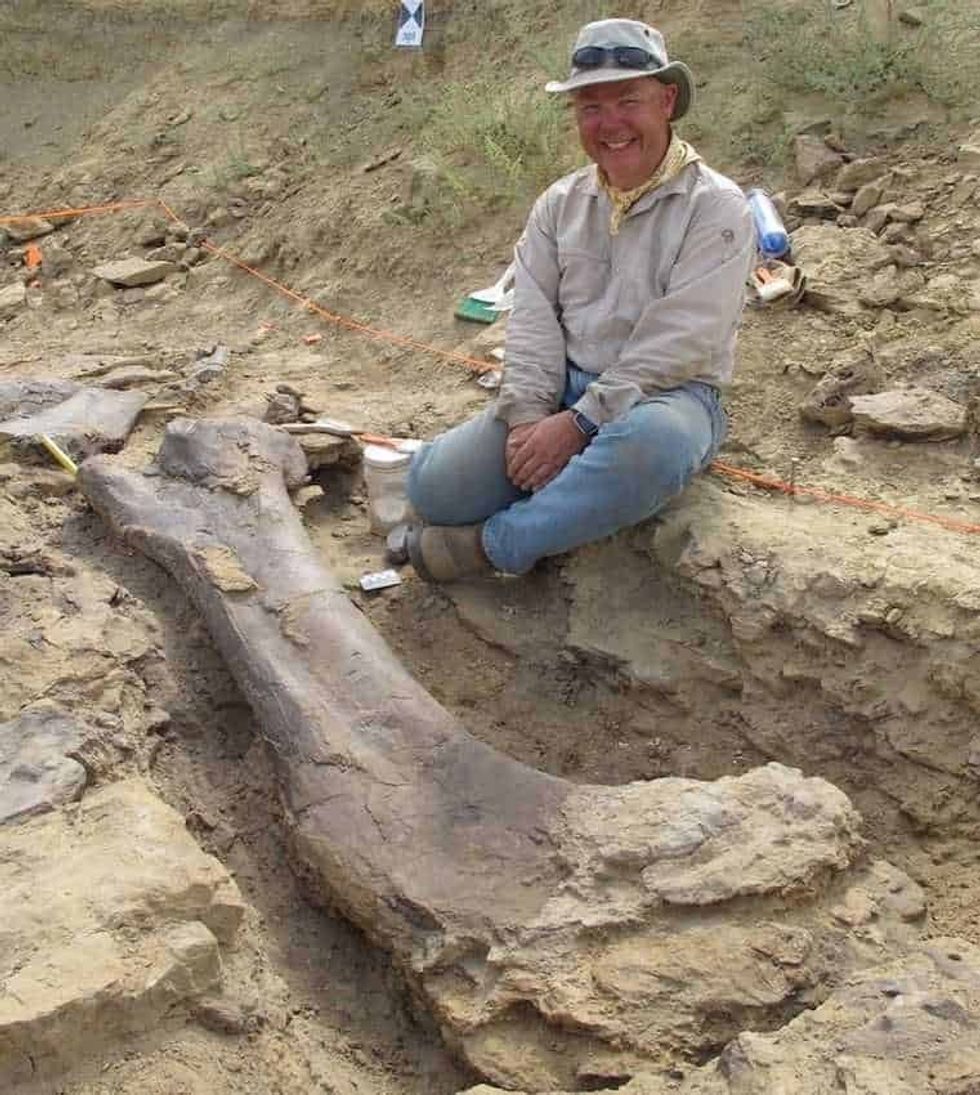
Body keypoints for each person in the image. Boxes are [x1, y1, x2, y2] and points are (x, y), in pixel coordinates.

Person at [406, 17, 755, 582]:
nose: (610, 123)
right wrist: (527, 419)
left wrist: (582, 424)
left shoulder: (716, 207)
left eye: (627, 100)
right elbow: (533, 319)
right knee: (433, 487)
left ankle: (494, 546)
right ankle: (561, 505)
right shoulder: (558, 204)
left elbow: (681, 343)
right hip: (561, 388)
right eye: (590, 107)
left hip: (666, 400)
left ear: (666, 100)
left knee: (653, 449)